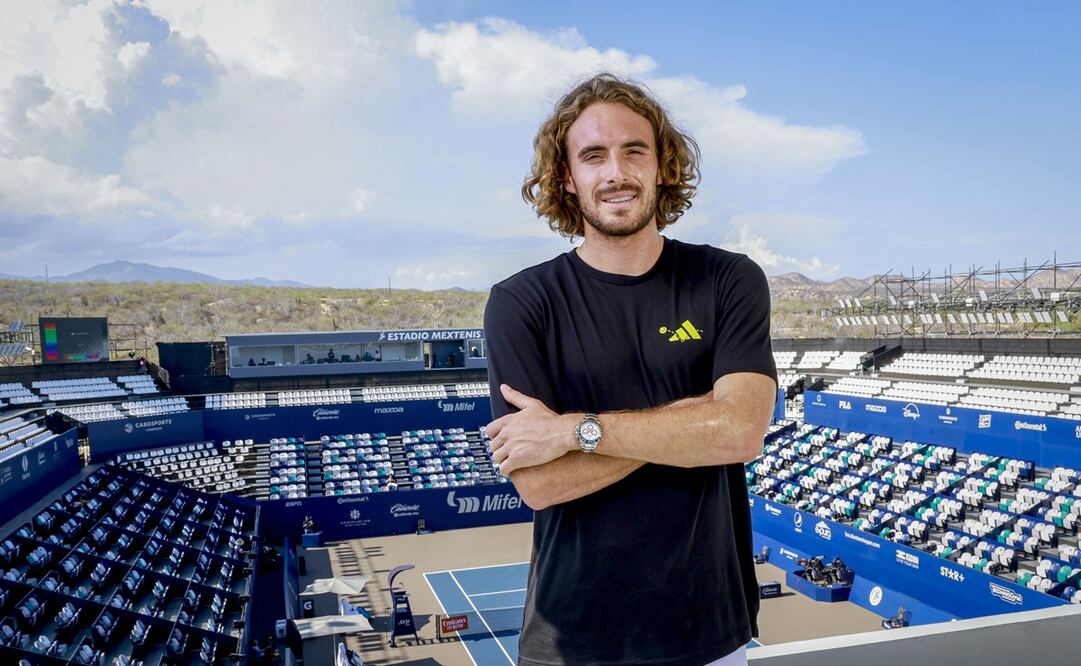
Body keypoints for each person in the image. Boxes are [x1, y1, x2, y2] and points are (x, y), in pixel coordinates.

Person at [484, 73, 777, 666]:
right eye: (593, 155)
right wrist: (696, 421)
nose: (615, 172)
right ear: (566, 177)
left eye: (633, 150)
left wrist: (573, 432)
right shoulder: (521, 302)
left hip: (710, 635)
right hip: (575, 641)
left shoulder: (727, 280)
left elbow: (742, 432)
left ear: (663, 165)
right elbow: (540, 484)